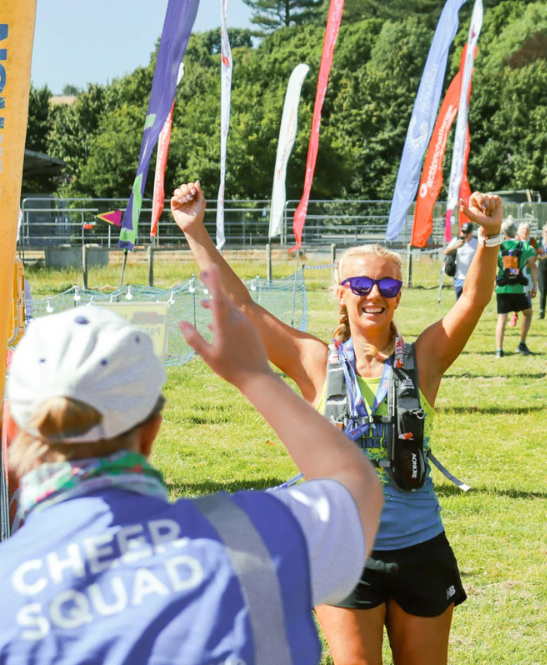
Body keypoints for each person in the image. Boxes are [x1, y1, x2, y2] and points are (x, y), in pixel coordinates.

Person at [171, 180, 504, 665]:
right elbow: (242, 307)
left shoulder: (424, 360)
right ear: (341, 293)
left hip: (420, 547)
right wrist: (195, 230)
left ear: (398, 296)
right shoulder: (315, 361)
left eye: (388, 286)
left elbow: (472, 301)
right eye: (362, 285)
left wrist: (490, 237)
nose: (375, 295)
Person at [0, 267, 383, 664]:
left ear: (9, 428)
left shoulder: (6, 592)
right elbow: (358, 488)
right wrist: (254, 376)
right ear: (151, 432)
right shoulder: (256, 536)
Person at [496, 218, 537, 357]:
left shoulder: (498, 247)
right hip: (519, 287)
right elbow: (533, 265)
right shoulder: (525, 246)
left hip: (502, 288)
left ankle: (499, 350)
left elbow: (490, 267)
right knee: (528, 313)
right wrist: (535, 285)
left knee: (502, 318)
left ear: (503, 232)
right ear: (515, 231)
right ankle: (522, 344)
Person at [443, 221, 478, 300]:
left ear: (471, 232)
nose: (465, 234)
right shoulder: (456, 240)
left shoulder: (476, 242)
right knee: (459, 302)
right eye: (463, 231)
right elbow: (446, 251)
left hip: (472, 278)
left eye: (467, 232)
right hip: (459, 277)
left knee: (471, 302)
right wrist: (456, 246)